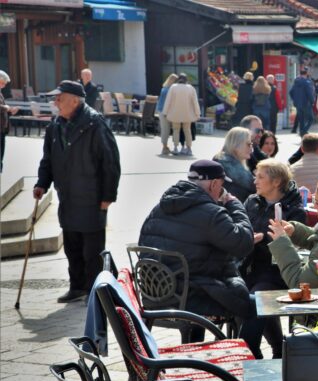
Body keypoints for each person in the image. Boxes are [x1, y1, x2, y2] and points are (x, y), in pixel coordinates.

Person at [138, 160, 266, 357]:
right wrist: (234, 204)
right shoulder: (211, 213)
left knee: (201, 278)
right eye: (221, 185)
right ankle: (247, 360)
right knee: (258, 305)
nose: (221, 190)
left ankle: (197, 356)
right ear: (214, 184)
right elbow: (243, 243)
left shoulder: (160, 207)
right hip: (192, 297)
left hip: (157, 295)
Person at [34, 80, 121, 303]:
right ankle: (78, 286)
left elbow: (110, 162)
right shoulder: (55, 126)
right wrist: (42, 183)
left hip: (92, 196)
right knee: (72, 247)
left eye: (59, 98)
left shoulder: (94, 123)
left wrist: (108, 196)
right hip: (68, 196)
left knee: (92, 251)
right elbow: (48, 160)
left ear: (74, 100)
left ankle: (96, 291)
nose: (55, 102)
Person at [243, 159, 306, 358]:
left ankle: (246, 353)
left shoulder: (294, 210)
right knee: (240, 298)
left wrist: (262, 240)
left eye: (261, 177)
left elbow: (292, 248)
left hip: (276, 272)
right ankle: (277, 349)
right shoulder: (251, 201)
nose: (255, 180)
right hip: (248, 267)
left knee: (257, 299)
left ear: (277, 181)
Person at [212, 127, 255, 202]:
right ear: (236, 145)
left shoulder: (226, 159)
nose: (251, 148)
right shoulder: (225, 161)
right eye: (248, 144)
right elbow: (253, 184)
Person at [162, 73, 200, 156]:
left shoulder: (173, 87)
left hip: (175, 114)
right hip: (187, 114)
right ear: (186, 80)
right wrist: (198, 113)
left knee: (176, 130)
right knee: (187, 130)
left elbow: (168, 101)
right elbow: (195, 102)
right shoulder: (191, 88)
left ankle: (175, 148)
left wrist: (165, 112)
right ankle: (189, 149)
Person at [0, 70, 20, 172]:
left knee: (1, 152)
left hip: (2, 128)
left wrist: (10, 111)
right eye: (2, 83)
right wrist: (6, 108)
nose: (3, 86)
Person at [156, 74, 179, 155]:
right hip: (164, 111)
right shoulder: (169, 90)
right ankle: (164, 147)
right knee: (166, 130)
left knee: (165, 129)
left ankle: (165, 147)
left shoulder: (164, 88)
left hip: (160, 110)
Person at [290, 68, 315, 136]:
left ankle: (302, 132)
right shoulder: (307, 82)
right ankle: (303, 131)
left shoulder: (296, 82)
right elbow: (309, 93)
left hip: (298, 104)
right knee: (311, 119)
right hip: (306, 103)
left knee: (301, 119)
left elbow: (291, 92)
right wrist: (312, 101)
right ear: (306, 74)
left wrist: (295, 100)